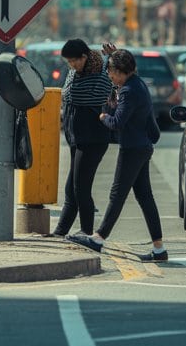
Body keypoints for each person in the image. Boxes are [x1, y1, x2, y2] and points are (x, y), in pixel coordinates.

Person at [69, 45, 166, 262]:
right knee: (145, 197)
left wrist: (103, 117)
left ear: (121, 71)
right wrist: (111, 57)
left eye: (111, 72)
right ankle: (159, 249)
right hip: (142, 147)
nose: (109, 76)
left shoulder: (129, 91)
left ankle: (98, 238)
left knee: (117, 194)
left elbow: (117, 122)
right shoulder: (138, 83)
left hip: (132, 149)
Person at [49, 38, 114, 238]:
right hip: (77, 137)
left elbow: (81, 95)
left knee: (81, 188)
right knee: (72, 188)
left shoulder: (102, 73)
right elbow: (68, 95)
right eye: (69, 62)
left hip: (92, 139)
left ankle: (86, 232)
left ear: (84, 57)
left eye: (74, 61)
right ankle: (60, 232)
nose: (72, 65)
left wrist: (111, 58)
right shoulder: (76, 72)